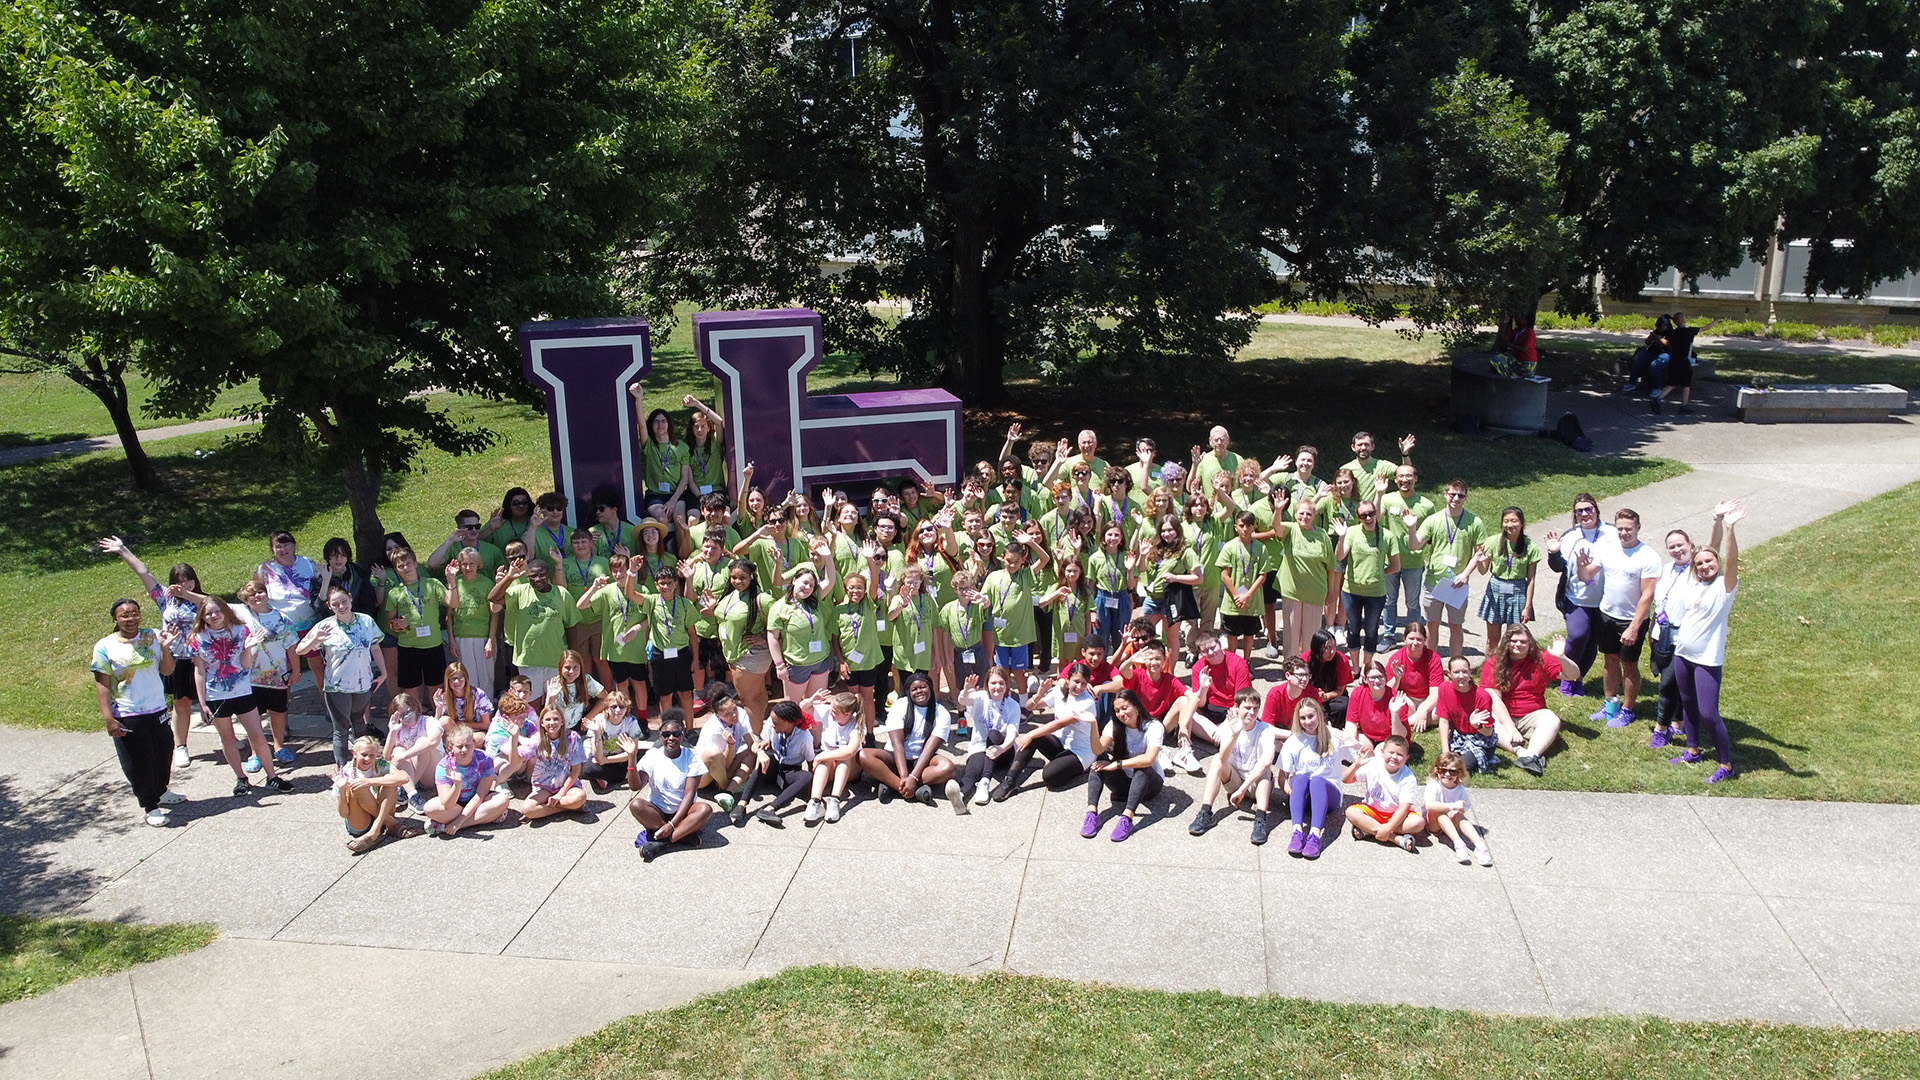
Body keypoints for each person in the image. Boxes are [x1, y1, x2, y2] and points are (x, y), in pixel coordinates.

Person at [98, 536, 201, 770]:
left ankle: (228, 737)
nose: (184, 585)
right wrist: (123, 550)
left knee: (215, 700)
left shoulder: (200, 600)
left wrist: (187, 595)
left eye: (189, 581)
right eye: (179, 581)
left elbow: (214, 605)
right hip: (175, 657)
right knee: (181, 703)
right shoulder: (165, 599)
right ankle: (181, 746)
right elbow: (144, 572)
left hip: (202, 658)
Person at [92, 598, 187, 826]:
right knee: (139, 760)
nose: (131, 619)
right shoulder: (105, 646)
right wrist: (109, 719)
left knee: (164, 750)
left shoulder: (153, 636)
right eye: (124, 615)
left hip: (156, 708)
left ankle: (162, 791)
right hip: (127, 712)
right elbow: (102, 685)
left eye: (135, 613)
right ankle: (150, 805)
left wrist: (165, 649)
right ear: (115, 618)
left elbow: (167, 669)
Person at [187, 595, 295, 797]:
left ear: (225, 611)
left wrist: (248, 647)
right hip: (216, 694)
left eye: (217, 611)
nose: (213, 616)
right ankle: (241, 778)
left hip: (243, 692)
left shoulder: (241, 630)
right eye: (208, 613)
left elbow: (246, 665)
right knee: (227, 738)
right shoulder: (197, 638)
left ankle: (272, 777)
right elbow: (199, 672)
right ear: (202, 616)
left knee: (257, 736)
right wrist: (202, 704)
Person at [1668, 502, 1744, 783]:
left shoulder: (1725, 587)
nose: (1704, 565)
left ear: (1718, 565)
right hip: (1684, 654)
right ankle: (1693, 750)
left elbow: (1726, 555)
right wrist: (1715, 518)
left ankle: (1726, 765)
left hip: (1707, 659)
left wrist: (1729, 528)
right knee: (1688, 703)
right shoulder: (1693, 582)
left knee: (1709, 713)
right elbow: (1706, 550)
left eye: (1710, 562)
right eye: (1699, 563)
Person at [1579, 508, 1663, 728]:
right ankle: (1610, 704)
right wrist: (1581, 564)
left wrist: (1634, 627)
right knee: (1609, 660)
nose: (1624, 533)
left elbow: (1648, 594)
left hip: (1632, 620)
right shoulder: (1608, 550)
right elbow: (1586, 575)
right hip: (1607, 615)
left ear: (1638, 528)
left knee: (1629, 663)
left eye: (1628, 529)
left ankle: (1627, 709)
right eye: (1620, 528)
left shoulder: (1648, 556)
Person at [296, 583, 390, 768]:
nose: (341, 606)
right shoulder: (325, 626)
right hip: (337, 686)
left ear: (350, 598)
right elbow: (300, 650)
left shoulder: (366, 621)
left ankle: (365, 767)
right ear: (329, 606)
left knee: (360, 725)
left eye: (344, 601)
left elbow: (375, 647)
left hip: (362, 683)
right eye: (335, 604)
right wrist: (316, 639)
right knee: (340, 730)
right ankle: (341, 770)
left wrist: (384, 672)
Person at [1186, 688, 1279, 844]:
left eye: (1255, 708)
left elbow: (1267, 760)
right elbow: (1223, 757)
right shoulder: (1228, 725)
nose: (1252, 712)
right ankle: (1205, 812)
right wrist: (1235, 734)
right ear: (1236, 707)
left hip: (1255, 784)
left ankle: (1260, 819)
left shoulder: (1265, 730)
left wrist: (1243, 790)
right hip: (1234, 780)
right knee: (1216, 760)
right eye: (1247, 708)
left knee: (1265, 771)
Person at [1000, 663, 1100, 800]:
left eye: (1084, 684)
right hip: (1061, 744)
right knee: (1036, 738)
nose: (1079, 687)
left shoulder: (1087, 702)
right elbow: (1029, 707)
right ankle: (1010, 780)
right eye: (1076, 681)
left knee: (1049, 777)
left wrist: (1030, 733)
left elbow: (1060, 723)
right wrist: (1039, 694)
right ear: (1069, 679)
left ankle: (1079, 770)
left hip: (1080, 752)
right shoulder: (1059, 691)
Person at [1543, 494, 1611, 696]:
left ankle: (1578, 679)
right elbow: (1557, 567)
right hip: (1575, 598)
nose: (1584, 514)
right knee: (1578, 635)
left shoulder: (1612, 533)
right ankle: (1564, 676)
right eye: (1579, 511)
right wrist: (1554, 552)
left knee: (1592, 643)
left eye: (1588, 509)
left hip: (1605, 599)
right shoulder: (1570, 536)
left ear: (1596, 510)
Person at [1412, 479, 1487, 661]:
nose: (1455, 498)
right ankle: (1431, 664)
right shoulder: (1433, 520)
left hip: (1458, 583)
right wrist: (1410, 527)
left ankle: (1455, 664)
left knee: (1455, 625)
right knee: (1432, 625)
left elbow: (1480, 553)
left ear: (1465, 498)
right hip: (1433, 582)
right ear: (1445, 494)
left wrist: (1466, 574)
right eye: (1452, 494)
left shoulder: (1474, 522)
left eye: (1460, 495)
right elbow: (1415, 545)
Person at [861, 672, 958, 807]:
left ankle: (892, 784)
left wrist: (913, 777)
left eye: (923, 687)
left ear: (930, 687)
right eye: (914, 689)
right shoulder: (900, 705)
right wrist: (906, 776)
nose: (919, 691)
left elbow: (929, 750)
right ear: (908, 692)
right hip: (895, 757)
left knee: (948, 768)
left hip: (922, 760)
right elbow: (898, 744)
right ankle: (910, 789)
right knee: (864, 755)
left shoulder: (942, 713)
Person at [489, 556, 577, 706]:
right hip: (528, 658)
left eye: (541, 574)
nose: (537, 579)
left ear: (548, 574)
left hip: (555, 658)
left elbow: (571, 626)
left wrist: (572, 655)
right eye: (532, 576)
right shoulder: (519, 592)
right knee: (531, 700)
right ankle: (534, 729)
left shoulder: (562, 594)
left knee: (555, 703)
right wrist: (509, 577)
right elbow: (493, 597)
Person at [578, 556, 651, 734]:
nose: (618, 574)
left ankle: (642, 719)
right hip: (615, 649)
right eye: (614, 570)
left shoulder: (641, 589)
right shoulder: (607, 591)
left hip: (636, 648)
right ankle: (625, 718)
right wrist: (595, 587)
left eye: (622, 569)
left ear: (629, 569)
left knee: (640, 683)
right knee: (622, 685)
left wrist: (636, 628)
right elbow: (581, 605)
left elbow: (651, 617)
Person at [1080, 688, 1165, 842]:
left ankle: (1127, 818)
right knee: (1097, 763)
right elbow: (1097, 748)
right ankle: (1092, 814)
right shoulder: (1115, 724)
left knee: (1142, 765)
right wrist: (1093, 724)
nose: (1121, 714)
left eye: (1125, 708)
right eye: (1117, 710)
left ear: (1137, 707)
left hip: (1150, 785)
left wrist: (1117, 764)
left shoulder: (1154, 726)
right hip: (1125, 784)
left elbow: (1149, 759)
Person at [1164, 628, 1252, 774]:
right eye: (1205, 651)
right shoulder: (1199, 667)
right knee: (1186, 705)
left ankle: (1224, 737)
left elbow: (1243, 699)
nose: (1211, 653)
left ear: (1219, 644)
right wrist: (1203, 688)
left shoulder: (1238, 663)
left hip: (1231, 710)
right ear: (1200, 652)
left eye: (1213, 647)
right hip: (1208, 711)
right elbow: (1200, 704)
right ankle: (1187, 751)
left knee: (1243, 720)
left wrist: (1227, 723)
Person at [1277, 696, 1356, 860]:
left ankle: (1315, 835)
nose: (1307, 721)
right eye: (1303, 718)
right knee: (1299, 778)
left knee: (1317, 780)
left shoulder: (1334, 736)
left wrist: (1359, 751)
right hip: (1304, 797)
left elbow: (1360, 756)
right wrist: (1291, 793)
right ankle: (1297, 832)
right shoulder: (1294, 741)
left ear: (1319, 715)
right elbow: (1283, 777)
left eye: (1311, 716)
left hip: (1328, 796)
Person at [1481, 625, 1564, 776]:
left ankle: (1532, 755)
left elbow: (1573, 675)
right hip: (1503, 716)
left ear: (1530, 643)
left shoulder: (1541, 658)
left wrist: (1561, 657)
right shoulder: (1494, 663)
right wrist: (1510, 727)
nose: (1518, 644)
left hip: (1532, 713)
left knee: (1552, 720)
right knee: (1485, 719)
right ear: (1507, 642)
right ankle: (1522, 753)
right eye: (1514, 641)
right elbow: (1494, 698)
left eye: (1523, 641)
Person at [233, 580, 299, 770]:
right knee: (253, 717)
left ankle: (279, 747)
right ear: (245, 600)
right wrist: (186, 593)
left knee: (278, 712)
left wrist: (295, 670)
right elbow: (211, 603)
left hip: (277, 676)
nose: (256, 596)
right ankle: (255, 753)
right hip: (249, 678)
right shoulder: (243, 614)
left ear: (267, 594)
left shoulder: (282, 618)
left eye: (260, 592)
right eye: (251, 594)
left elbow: (292, 645)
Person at [629, 712, 711, 862]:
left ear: (683, 735)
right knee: (636, 805)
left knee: (705, 809)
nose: (671, 738)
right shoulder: (653, 755)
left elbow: (689, 795)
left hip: (684, 812)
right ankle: (681, 836)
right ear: (660, 736)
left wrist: (672, 825)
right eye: (666, 734)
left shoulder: (692, 757)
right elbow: (635, 786)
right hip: (657, 813)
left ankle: (663, 843)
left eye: (676, 734)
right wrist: (631, 757)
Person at [1331, 500, 1403, 668]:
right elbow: (1339, 556)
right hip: (1351, 591)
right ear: (1358, 518)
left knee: (1371, 631)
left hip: (1375, 593)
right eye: (1363, 515)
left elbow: (1396, 566)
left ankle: (1367, 667)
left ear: (1376, 512)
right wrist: (1341, 537)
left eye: (1371, 513)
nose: (1368, 518)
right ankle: (1355, 667)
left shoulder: (1387, 536)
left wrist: (1378, 574)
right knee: (1353, 629)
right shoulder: (1352, 532)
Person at [981, 525, 1051, 693]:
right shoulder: (993, 577)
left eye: (1017, 562)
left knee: (1019, 671)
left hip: (1020, 635)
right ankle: (1003, 700)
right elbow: (985, 598)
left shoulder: (1026, 575)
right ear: (1002, 557)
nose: (1012, 565)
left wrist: (1031, 542)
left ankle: (1023, 705)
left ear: (1023, 560)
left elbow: (1045, 559)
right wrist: (981, 601)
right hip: (1001, 634)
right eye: (1009, 561)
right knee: (1003, 672)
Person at [706, 558, 775, 728]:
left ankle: (756, 737)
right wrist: (713, 609)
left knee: (747, 699)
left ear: (752, 576)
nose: (737, 581)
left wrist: (764, 638)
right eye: (734, 577)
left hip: (750, 653)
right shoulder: (729, 594)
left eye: (742, 577)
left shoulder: (762, 599)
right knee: (758, 693)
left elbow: (780, 623)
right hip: (732, 651)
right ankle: (761, 727)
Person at [766, 542, 838, 702]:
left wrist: (828, 557)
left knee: (817, 704)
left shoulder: (815, 599)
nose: (807, 588)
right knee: (795, 707)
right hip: (796, 664)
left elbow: (830, 580)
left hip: (820, 661)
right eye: (804, 583)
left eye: (811, 585)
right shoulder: (779, 607)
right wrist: (779, 665)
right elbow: (772, 638)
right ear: (793, 580)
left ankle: (813, 728)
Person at [1378, 463, 1436, 643]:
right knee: (1388, 601)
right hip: (1390, 560)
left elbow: (1431, 534)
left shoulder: (1426, 505)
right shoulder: (1388, 500)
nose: (1404, 480)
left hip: (1414, 563)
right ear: (1395, 480)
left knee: (1412, 603)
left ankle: (1414, 637)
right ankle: (1388, 635)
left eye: (1408, 476)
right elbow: (1377, 519)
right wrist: (1379, 493)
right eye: (1400, 476)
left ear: (1415, 479)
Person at [952, 669, 1026, 808]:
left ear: (1006, 685)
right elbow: (962, 702)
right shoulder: (980, 697)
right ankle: (960, 798)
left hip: (1004, 750)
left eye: (1001, 683)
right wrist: (966, 690)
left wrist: (1001, 748)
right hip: (980, 747)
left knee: (993, 734)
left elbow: (1012, 733)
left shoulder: (1013, 705)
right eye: (993, 683)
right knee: (972, 771)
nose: (997, 687)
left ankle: (985, 783)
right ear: (987, 685)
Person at [1271, 499, 1334, 661]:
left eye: (1308, 514)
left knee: (1311, 635)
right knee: (1291, 632)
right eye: (1301, 513)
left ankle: (1309, 665)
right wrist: (1278, 510)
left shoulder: (1322, 535)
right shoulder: (1291, 529)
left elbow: (1330, 566)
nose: (1304, 516)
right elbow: (1276, 528)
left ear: (1314, 516)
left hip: (1315, 591)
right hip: (1292, 590)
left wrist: (1331, 592)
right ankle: (1291, 665)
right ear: (1295, 514)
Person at [381, 547, 449, 693]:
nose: (406, 568)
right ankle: (414, 714)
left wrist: (452, 581)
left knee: (436, 686)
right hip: (408, 646)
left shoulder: (432, 584)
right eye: (401, 566)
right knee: (411, 687)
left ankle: (437, 714)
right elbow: (390, 622)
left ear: (416, 563)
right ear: (396, 569)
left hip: (433, 643)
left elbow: (453, 603)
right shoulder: (395, 593)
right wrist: (397, 625)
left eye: (408, 563)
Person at [738, 699, 817, 826]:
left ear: (788, 723)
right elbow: (763, 741)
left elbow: (810, 762)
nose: (773, 725)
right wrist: (763, 749)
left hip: (789, 771)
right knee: (766, 757)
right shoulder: (772, 724)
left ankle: (770, 809)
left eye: (776, 723)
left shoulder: (804, 737)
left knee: (807, 776)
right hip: (772, 768)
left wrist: (811, 790)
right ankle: (742, 804)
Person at [425, 725, 511, 837]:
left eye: (468, 746)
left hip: (478, 800)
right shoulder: (443, 766)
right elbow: (447, 804)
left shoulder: (485, 759)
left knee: (502, 799)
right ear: (451, 747)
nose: (464, 750)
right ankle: (487, 817)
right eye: (459, 747)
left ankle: (448, 826)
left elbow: (481, 793)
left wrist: (459, 821)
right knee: (429, 808)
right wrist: (457, 784)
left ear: (474, 743)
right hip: (455, 804)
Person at [1344, 734, 1425, 852]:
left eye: (1400, 754)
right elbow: (1346, 779)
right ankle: (1395, 839)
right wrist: (1356, 765)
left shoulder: (1408, 778)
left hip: (1395, 815)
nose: (1394, 757)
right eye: (1391, 752)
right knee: (1351, 812)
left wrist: (1388, 827)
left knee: (1418, 823)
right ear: (1382, 752)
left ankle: (1368, 830)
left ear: (1406, 758)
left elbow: (1404, 808)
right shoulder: (1373, 764)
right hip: (1372, 811)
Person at [335, 735, 414, 853]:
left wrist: (369, 781)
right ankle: (391, 824)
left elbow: (403, 778)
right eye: (364, 755)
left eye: (372, 755)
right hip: (360, 822)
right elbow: (344, 813)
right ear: (354, 754)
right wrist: (341, 790)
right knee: (357, 787)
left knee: (390, 779)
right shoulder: (346, 772)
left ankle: (375, 831)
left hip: (380, 814)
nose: (368, 759)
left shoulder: (380, 764)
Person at [1475, 507, 1540, 652]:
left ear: (1522, 523)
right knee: (1492, 639)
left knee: (1514, 639)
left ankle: (1511, 672)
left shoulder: (1531, 547)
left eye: (1514, 521)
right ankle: (1490, 671)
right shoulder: (1492, 542)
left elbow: (1531, 579)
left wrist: (1528, 606)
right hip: (1495, 590)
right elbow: (1482, 571)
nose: (1510, 525)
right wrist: (1480, 561)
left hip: (1518, 592)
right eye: (1506, 521)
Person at [441, 545, 500, 699]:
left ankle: (487, 709)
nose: (468, 567)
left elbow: (494, 614)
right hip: (462, 637)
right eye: (464, 564)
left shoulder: (486, 583)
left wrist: (490, 640)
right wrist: (452, 641)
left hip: (483, 637)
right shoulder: (455, 583)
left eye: (471, 564)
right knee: (466, 677)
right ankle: (469, 709)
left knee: (486, 677)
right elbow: (449, 615)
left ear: (478, 564)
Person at [515, 706, 589, 821]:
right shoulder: (537, 739)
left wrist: (560, 794)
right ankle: (568, 808)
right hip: (543, 787)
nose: (552, 723)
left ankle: (551, 807)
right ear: (542, 723)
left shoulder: (572, 738)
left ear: (562, 722)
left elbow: (576, 770)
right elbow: (515, 761)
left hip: (567, 786)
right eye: (548, 719)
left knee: (580, 797)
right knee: (527, 809)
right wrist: (514, 737)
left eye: (556, 719)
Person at [695, 682, 758, 815]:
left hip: (722, 769)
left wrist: (761, 753)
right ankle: (725, 786)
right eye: (728, 714)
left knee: (753, 751)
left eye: (734, 709)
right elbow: (722, 763)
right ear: (718, 716)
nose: (734, 715)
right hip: (705, 775)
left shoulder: (741, 714)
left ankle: (729, 792)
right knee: (715, 753)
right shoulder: (715, 729)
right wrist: (730, 744)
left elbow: (751, 740)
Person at [1216, 511, 1269, 660]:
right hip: (1233, 600)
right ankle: (1233, 662)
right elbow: (1224, 574)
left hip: (1251, 600)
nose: (1245, 529)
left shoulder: (1260, 548)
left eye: (1249, 525)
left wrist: (1248, 595)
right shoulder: (1229, 547)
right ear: (1236, 527)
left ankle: (1247, 661)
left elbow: (1262, 574)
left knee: (1249, 633)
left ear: (1254, 527)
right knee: (1232, 633)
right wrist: (1236, 595)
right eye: (1242, 525)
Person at [1425, 751, 1492, 866]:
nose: (1447, 774)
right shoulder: (1434, 784)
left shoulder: (1460, 789)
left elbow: (1464, 808)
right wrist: (1452, 806)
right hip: (1434, 823)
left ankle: (1480, 845)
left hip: (1452, 822)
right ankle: (1459, 844)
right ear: (1437, 770)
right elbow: (1429, 805)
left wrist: (1457, 810)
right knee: (1440, 813)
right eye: (1442, 770)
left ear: (1459, 773)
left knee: (1457, 815)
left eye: (1452, 771)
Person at [1436, 655, 1500, 773]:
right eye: (1456, 672)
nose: (1461, 676)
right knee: (1442, 766)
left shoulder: (1482, 696)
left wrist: (1477, 725)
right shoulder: (1444, 689)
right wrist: (1445, 750)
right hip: (1458, 737)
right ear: (1449, 674)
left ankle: (1486, 757)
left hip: (1480, 740)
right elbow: (1443, 721)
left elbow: (1488, 731)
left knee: (1457, 769)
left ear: (1470, 672)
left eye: (1465, 671)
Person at [383, 692, 444, 813]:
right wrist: (392, 732)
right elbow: (387, 757)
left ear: (416, 708)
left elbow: (433, 741)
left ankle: (404, 788)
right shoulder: (400, 729)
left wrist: (403, 756)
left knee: (422, 743)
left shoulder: (428, 721)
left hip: (432, 772)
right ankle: (412, 794)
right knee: (397, 749)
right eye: (402, 714)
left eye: (408, 711)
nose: (406, 716)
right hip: (412, 771)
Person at [1653, 310, 1720, 414]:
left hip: (1673, 361)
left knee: (1671, 383)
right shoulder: (1689, 331)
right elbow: (1706, 327)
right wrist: (1716, 321)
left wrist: (1657, 338)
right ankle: (1684, 407)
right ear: (1684, 320)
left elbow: (1666, 343)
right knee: (1686, 385)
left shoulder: (1672, 333)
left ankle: (1657, 399)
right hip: (1684, 362)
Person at [1384, 621, 1444, 734]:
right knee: (1393, 704)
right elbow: (1387, 691)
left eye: (1419, 639)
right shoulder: (1397, 658)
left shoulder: (1433, 658)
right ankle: (1415, 720)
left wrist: (1423, 710)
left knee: (1442, 711)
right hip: (1407, 699)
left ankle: (1404, 722)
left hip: (1426, 701)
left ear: (1425, 640)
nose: (1415, 643)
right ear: (1404, 639)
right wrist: (1397, 679)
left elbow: (1435, 693)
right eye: (1411, 638)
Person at [581, 690, 643, 794]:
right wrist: (597, 733)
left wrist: (607, 760)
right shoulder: (599, 721)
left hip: (620, 758)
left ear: (627, 709)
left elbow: (633, 752)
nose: (617, 710)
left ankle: (607, 778)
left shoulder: (631, 721)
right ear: (606, 708)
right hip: (600, 759)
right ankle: (623, 776)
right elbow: (598, 758)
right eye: (613, 707)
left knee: (646, 754)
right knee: (588, 769)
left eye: (622, 707)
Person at [485, 676, 539, 782]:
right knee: (515, 761)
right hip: (498, 759)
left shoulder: (527, 723)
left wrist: (519, 737)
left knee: (534, 756)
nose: (523, 719)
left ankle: (529, 780)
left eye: (524, 715)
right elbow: (513, 755)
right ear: (506, 717)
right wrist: (516, 738)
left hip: (519, 756)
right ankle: (500, 782)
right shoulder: (498, 731)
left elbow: (538, 738)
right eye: (518, 716)